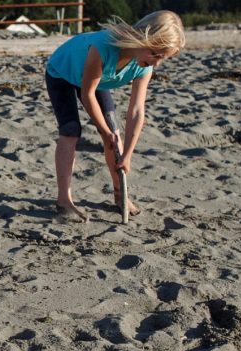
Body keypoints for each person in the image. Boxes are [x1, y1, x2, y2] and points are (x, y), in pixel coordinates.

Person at [45, 11, 185, 222]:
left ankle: (121, 195)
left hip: (96, 80)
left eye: (163, 58)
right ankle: (64, 200)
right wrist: (103, 130)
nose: (157, 64)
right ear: (144, 39)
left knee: (114, 135)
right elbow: (87, 94)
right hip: (63, 73)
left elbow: (137, 110)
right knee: (71, 130)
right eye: (156, 54)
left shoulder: (143, 65)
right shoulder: (103, 48)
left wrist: (127, 153)